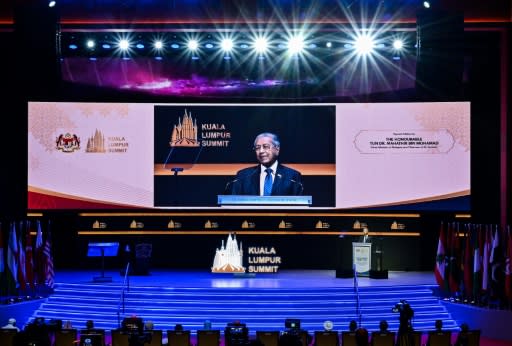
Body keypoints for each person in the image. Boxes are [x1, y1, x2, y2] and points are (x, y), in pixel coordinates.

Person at [229, 132, 303, 196]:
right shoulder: (243, 176)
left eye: (266, 147)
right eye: (257, 148)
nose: (261, 151)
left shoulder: (292, 177)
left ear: (277, 149)